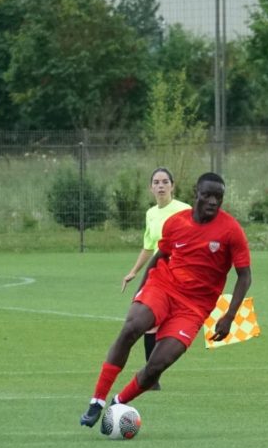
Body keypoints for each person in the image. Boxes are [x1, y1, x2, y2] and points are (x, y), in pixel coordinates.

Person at [81, 172, 252, 426]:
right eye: (208, 195)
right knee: (132, 327)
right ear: (196, 193)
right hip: (163, 286)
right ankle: (97, 401)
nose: (213, 201)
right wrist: (140, 292)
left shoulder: (231, 230)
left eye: (219, 197)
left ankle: (118, 404)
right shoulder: (176, 223)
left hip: (194, 308)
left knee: (157, 364)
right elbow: (160, 256)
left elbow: (245, 277)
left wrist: (229, 316)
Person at [120, 167, 192, 390]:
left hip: (180, 275)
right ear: (151, 188)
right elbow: (149, 247)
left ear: (172, 186)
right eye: (156, 182)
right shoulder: (151, 214)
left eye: (165, 182)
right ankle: (152, 379)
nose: (161, 186)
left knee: (164, 323)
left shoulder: (184, 210)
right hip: (159, 275)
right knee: (150, 325)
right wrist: (134, 271)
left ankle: (151, 377)